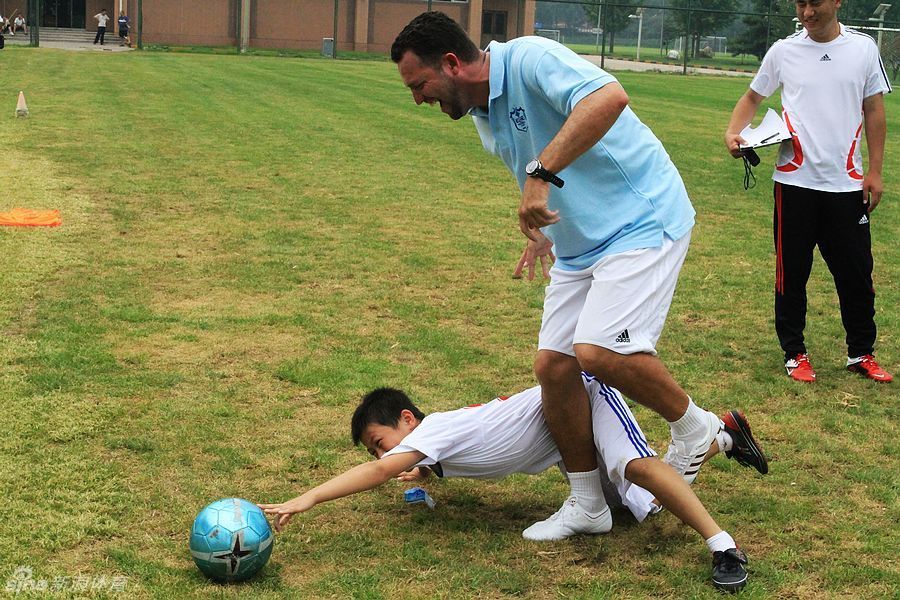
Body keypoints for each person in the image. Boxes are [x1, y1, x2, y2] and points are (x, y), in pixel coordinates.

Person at [389, 10, 733, 541]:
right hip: (579, 247)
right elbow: (531, 167)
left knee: (598, 351)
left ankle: (695, 426)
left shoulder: (529, 58)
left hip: (641, 221)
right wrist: (544, 230)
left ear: (452, 63)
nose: (417, 99)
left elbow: (609, 99)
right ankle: (587, 503)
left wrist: (541, 174)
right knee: (553, 366)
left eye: (420, 84)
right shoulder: (482, 113)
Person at [259, 378, 768, 592]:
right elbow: (416, 462)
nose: (382, 456)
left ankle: (723, 546)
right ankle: (720, 439)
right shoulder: (432, 446)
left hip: (581, 396)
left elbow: (378, 473)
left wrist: (307, 499)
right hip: (566, 441)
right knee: (641, 512)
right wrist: (423, 470)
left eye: (380, 440)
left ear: (409, 419)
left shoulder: (433, 429)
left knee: (636, 469)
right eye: (375, 450)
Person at [724, 0, 892, 384]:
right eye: (800, 4)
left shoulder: (864, 48)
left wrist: (876, 172)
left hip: (847, 184)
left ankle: (861, 353)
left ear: (836, 1)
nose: (807, 11)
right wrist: (734, 133)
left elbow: (874, 110)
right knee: (792, 272)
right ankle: (794, 353)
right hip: (794, 184)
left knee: (856, 272)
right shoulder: (784, 50)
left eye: (815, 2)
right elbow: (753, 97)